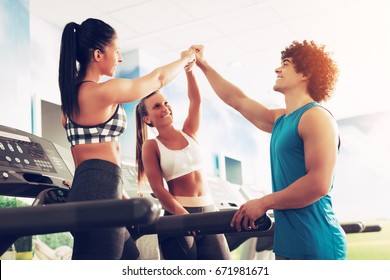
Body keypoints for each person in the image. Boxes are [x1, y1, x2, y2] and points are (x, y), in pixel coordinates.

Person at [191, 41, 347, 260]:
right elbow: (237, 100)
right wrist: (203, 65)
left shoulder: (316, 116)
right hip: (287, 245)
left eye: (286, 64)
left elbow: (318, 184)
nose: (277, 69)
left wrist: (263, 203)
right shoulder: (281, 119)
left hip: (316, 242)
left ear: (306, 73)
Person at [58, 18, 195, 260]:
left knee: (132, 260)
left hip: (96, 188)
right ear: (99, 54)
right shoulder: (101, 92)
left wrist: (119, 194)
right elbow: (158, 79)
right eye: (116, 50)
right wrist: (186, 59)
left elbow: (86, 160)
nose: (120, 58)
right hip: (98, 192)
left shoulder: (70, 100)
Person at [135, 61, 231, 260]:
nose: (165, 108)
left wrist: (189, 70)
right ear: (147, 119)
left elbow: (196, 100)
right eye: (157, 106)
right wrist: (183, 216)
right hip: (179, 215)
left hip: (209, 211)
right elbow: (159, 189)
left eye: (166, 103)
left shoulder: (190, 132)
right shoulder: (151, 146)